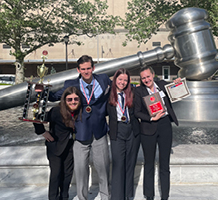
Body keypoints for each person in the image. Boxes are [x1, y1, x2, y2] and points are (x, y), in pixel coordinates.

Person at [49, 55, 111, 200]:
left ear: (93, 68)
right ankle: (82, 198)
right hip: (80, 133)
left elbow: (120, 87)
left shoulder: (103, 80)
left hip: (100, 132)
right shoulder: (71, 84)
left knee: (103, 170)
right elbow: (56, 96)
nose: (86, 71)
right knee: (81, 172)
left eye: (88, 68)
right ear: (78, 70)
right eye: (83, 69)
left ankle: (106, 197)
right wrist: (39, 91)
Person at [134, 66, 180, 200]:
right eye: (143, 78)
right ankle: (149, 196)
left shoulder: (162, 85)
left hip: (165, 125)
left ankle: (165, 195)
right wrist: (150, 118)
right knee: (149, 163)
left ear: (153, 75)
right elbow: (137, 112)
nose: (146, 80)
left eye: (148, 76)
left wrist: (177, 84)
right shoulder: (139, 91)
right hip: (148, 127)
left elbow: (177, 93)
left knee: (164, 163)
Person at [33, 86, 82, 200]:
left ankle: (64, 196)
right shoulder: (56, 111)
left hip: (70, 146)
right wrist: (43, 132)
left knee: (67, 174)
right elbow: (36, 118)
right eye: (69, 99)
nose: (73, 102)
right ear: (64, 100)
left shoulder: (81, 111)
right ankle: (53, 197)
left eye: (75, 99)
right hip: (55, 146)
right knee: (56, 174)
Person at [107, 68, 140, 200]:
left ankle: (128, 195)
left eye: (125, 80)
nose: (122, 82)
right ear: (115, 79)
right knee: (118, 164)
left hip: (132, 130)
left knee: (130, 164)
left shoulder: (133, 92)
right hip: (117, 130)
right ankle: (117, 196)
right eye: (120, 79)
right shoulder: (108, 94)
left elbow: (151, 86)